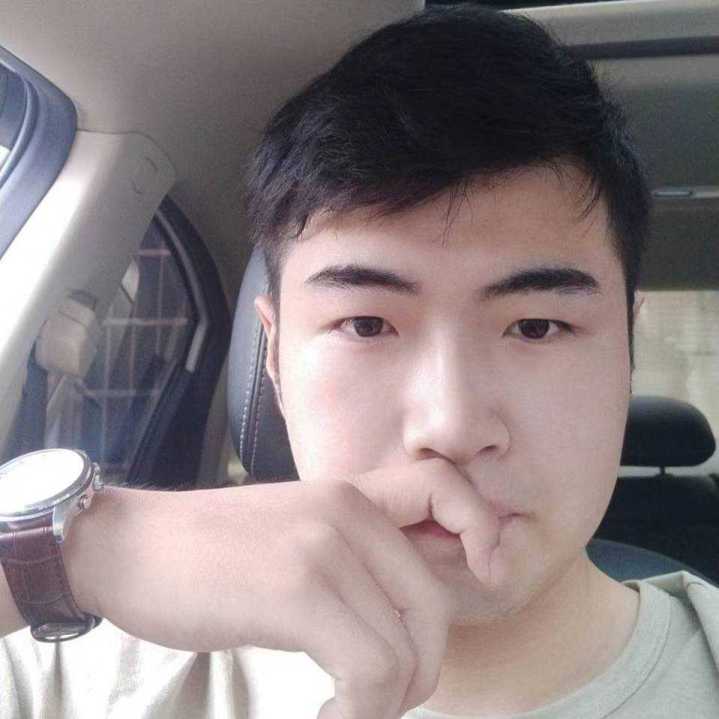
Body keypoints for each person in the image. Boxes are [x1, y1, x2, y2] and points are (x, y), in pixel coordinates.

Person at [1, 4, 719, 718]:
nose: (451, 427)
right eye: (367, 324)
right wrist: (76, 551)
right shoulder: (77, 669)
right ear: (275, 358)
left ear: (626, 351)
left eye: (536, 327)